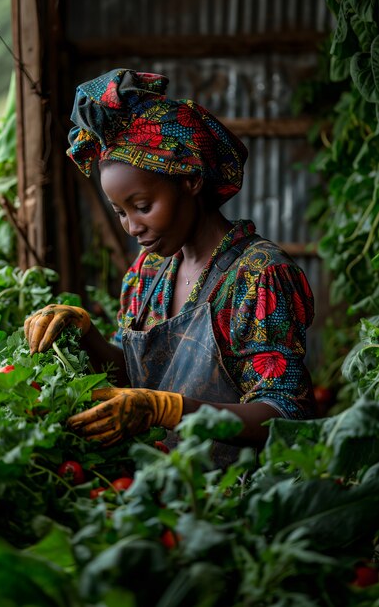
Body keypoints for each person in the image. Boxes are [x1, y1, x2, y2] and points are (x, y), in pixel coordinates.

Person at [24, 68, 315, 467]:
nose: (131, 227)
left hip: (234, 502)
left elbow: (287, 415)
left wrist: (170, 409)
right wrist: (86, 333)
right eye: (120, 212)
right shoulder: (149, 272)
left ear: (191, 180)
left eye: (143, 207)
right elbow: (133, 378)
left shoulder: (259, 276)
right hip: (155, 488)